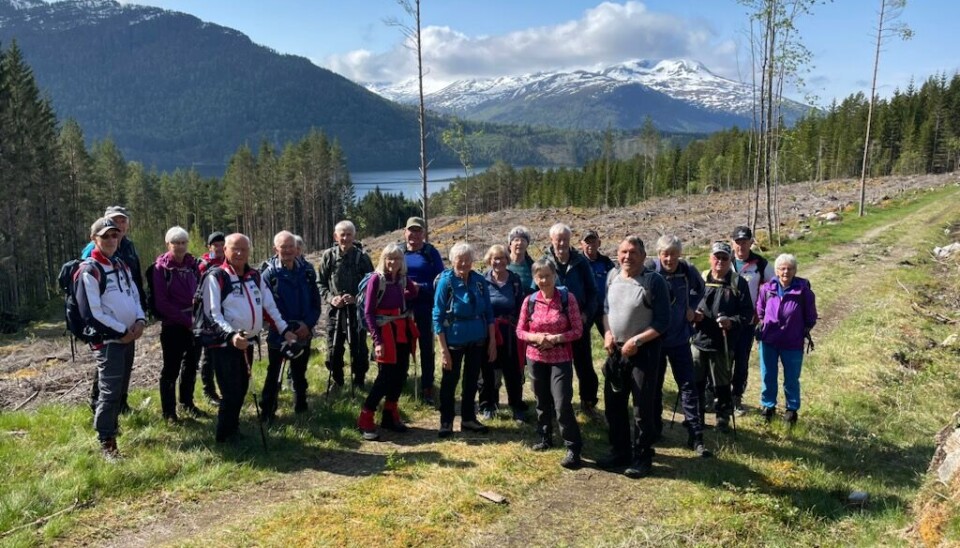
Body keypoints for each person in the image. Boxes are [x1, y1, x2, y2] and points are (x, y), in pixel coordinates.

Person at [198, 233, 298, 443]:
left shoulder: (254, 276)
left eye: (244, 249)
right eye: (235, 248)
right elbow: (212, 313)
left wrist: (284, 330)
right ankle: (224, 436)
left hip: (247, 343)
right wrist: (231, 335)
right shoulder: (215, 277)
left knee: (242, 388)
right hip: (224, 344)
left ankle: (233, 430)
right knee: (231, 390)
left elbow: (269, 307)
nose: (240, 253)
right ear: (224, 250)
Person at [598, 236, 670, 478]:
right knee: (614, 405)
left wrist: (637, 341)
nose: (627, 257)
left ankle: (642, 457)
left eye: (633, 252)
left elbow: (662, 322)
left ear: (643, 255)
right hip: (615, 352)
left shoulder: (653, 281)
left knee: (642, 407)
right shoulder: (612, 277)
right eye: (623, 252)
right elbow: (606, 310)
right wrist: (607, 333)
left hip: (644, 353)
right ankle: (620, 451)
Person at [76, 217, 146, 460]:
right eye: (105, 236)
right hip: (109, 341)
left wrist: (139, 320)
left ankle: (112, 428)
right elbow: (92, 313)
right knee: (109, 392)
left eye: (114, 235)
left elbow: (134, 296)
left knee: (120, 389)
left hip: (128, 337)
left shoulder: (121, 265)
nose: (111, 240)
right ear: (94, 239)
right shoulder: (89, 270)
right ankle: (106, 442)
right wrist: (121, 332)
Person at [516, 257, 584, 469]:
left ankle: (573, 447)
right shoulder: (530, 301)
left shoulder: (567, 299)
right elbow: (519, 331)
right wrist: (537, 338)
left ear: (555, 276)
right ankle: (545, 437)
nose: (544, 280)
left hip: (560, 359)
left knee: (562, 402)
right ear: (535, 278)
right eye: (540, 276)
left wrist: (555, 339)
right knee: (541, 400)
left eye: (548, 275)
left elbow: (578, 330)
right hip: (536, 358)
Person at [647, 235, 710, 457]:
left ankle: (695, 435)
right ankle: (654, 430)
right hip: (655, 340)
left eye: (674, 253)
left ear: (679, 254)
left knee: (688, 387)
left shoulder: (686, 270)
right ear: (658, 254)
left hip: (680, 338)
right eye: (665, 253)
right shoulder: (650, 270)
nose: (670, 258)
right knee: (654, 386)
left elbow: (700, 289)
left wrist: (692, 308)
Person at [84, 206, 144, 415]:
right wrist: (120, 330)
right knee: (107, 373)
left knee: (124, 369)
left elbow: (134, 281)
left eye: (122, 222)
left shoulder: (126, 249)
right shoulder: (91, 259)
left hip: (129, 322)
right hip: (108, 330)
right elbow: (92, 303)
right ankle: (100, 409)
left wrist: (140, 316)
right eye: (115, 221)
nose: (118, 227)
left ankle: (121, 405)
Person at [356, 243, 420, 441]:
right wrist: (377, 340)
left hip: (401, 331)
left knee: (400, 373)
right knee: (384, 377)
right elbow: (368, 312)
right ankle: (366, 418)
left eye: (397, 259)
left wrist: (404, 294)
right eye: (389, 258)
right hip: (385, 334)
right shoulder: (377, 279)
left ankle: (390, 415)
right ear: (383, 260)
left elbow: (413, 292)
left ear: (402, 262)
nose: (393, 262)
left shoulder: (401, 279)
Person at [434, 242, 496, 438]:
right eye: (460, 260)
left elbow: (489, 312)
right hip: (453, 340)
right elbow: (437, 315)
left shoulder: (479, 281)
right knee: (449, 381)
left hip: (477, 339)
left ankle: (468, 419)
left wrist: (492, 341)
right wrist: (443, 350)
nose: (464, 264)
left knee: (471, 381)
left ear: (472, 261)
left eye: (467, 260)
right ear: (453, 261)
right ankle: (446, 422)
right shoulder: (446, 282)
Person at [691, 241, 753, 434]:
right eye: (716, 257)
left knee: (722, 383)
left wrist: (731, 322)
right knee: (696, 380)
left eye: (725, 258)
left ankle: (722, 419)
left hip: (724, 341)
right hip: (699, 339)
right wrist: (693, 315)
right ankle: (697, 417)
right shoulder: (701, 279)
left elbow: (747, 314)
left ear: (730, 260)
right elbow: (689, 304)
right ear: (710, 258)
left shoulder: (738, 282)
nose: (720, 261)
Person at [259, 231, 322, 420]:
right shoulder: (268, 274)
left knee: (300, 372)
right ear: (275, 249)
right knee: (274, 372)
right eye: (283, 247)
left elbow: (315, 304)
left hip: (304, 331)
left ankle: (301, 407)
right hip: (278, 332)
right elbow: (265, 307)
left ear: (297, 248)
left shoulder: (308, 271)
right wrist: (284, 329)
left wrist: (307, 325)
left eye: (290, 246)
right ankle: (268, 412)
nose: (287, 250)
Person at [756, 254, 818, 425]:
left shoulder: (803, 291)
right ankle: (768, 407)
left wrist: (798, 330)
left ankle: (791, 410)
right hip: (769, 339)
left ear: (795, 271)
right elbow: (760, 310)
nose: (786, 272)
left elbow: (811, 317)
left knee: (791, 378)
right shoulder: (766, 289)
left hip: (792, 342)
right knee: (768, 374)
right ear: (776, 271)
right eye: (782, 268)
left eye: (789, 268)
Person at [545, 223, 599, 414]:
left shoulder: (580, 262)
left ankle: (589, 402)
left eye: (565, 239)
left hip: (578, 325)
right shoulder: (545, 262)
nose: (561, 243)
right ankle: (555, 405)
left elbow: (593, 293)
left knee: (584, 365)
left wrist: (586, 316)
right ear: (551, 240)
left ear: (570, 241)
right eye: (558, 239)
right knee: (555, 368)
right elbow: (537, 293)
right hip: (553, 326)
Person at [153, 226, 203, 423]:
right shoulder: (160, 269)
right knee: (170, 369)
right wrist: (186, 321)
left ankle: (187, 403)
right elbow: (162, 302)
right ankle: (169, 412)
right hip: (173, 326)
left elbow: (200, 293)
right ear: (168, 244)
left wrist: (196, 320)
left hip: (195, 324)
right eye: (176, 243)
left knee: (191, 366)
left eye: (183, 242)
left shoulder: (193, 266)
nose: (180, 246)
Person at [317, 221, 374, 391]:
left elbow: (372, 285)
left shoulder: (362, 258)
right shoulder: (329, 256)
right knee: (333, 348)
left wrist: (357, 299)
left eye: (349, 234)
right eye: (342, 234)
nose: (345, 238)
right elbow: (320, 283)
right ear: (336, 236)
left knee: (359, 349)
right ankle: (337, 380)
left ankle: (359, 381)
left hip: (357, 312)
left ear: (354, 236)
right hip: (335, 311)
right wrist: (331, 298)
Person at [480, 244, 528, 422]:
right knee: (487, 370)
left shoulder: (514, 281)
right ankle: (488, 405)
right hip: (488, 331)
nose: (498, 261)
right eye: (495, 258)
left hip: (510, 333)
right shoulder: (482, 281)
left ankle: (516, 406)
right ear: (489, 260)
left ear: (507, 260)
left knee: (513, 370)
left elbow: (522, 306)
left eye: (501, 258)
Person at [730, 225, 775, 416]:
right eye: (738, 242)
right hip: (723, 321)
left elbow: (773, 289)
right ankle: (716, 396)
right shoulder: (724, 260)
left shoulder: (761, 264)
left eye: (745, 242)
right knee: (721, 360)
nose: (741, 246)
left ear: (751, 242)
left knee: (741, 360)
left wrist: (763, 316)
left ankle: (736, 398)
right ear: (732, 243)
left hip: (747, 322)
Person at [403, 216, 445, 405]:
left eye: (418, 231)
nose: (414, 235)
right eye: (411, 230)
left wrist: (421, 286)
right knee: (401, 346)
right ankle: (401, 384)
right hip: (402, 308)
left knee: (426, 348)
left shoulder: (430, 253)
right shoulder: (399, 251)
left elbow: (441, 280)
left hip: (425, 306)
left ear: (424, 234)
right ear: (405, 232)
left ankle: (428, 387)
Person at [197, 231, 227, 405]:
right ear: (209, 247)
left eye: (222, 244)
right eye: (215, 245)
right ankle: (209, 391)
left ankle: (226, 389)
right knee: (208, 356)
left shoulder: (228, 262)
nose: (219, 247)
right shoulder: (203, 265)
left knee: (223, 354)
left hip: (226, 313)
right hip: (207, 316)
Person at [580, 229, 616, 339]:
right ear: (581, 244)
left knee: (612, 339)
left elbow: (615, 282)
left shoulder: (606, 262)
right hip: (585, 309)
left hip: (603, 308)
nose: (591, 245)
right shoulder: (578, 263)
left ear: (599, 243)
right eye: (587, 242)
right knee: (582, 342)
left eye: (593, 241)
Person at [506, 225, 536, 295]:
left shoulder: (532, 266)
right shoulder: (502, 264)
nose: (520, 243)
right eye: (516, 240)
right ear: (510, 244)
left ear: (527, 245)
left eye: (523, 240)